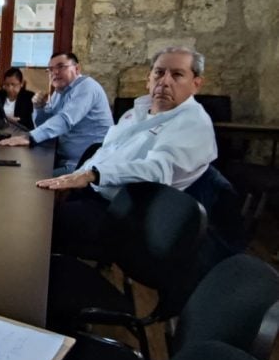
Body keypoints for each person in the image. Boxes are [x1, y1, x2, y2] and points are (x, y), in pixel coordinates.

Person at [36, 46, 216, 258]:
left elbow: (158, 171)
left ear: (196, 84)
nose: (165, 81)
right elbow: (104, 152)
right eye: (159, 72)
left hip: (127, 215)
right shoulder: (136, 111)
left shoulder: (193, 124)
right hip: (92, 193)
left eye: (177, 74)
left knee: (37, 221)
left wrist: (92, 174)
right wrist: (74, 179)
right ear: (148, 79)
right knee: (33, 199)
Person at [0, 52, 112, 174]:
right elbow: (45, 124)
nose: (55, 72)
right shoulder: (59, 92)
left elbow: (65, 120)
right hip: (61, 159)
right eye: (51, 69)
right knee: (19, 170)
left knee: (30, 179)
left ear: (77, 68)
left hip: (86, 166)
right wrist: (39, 108)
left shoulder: (87, 87)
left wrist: (30, 137)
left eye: (61, 67)